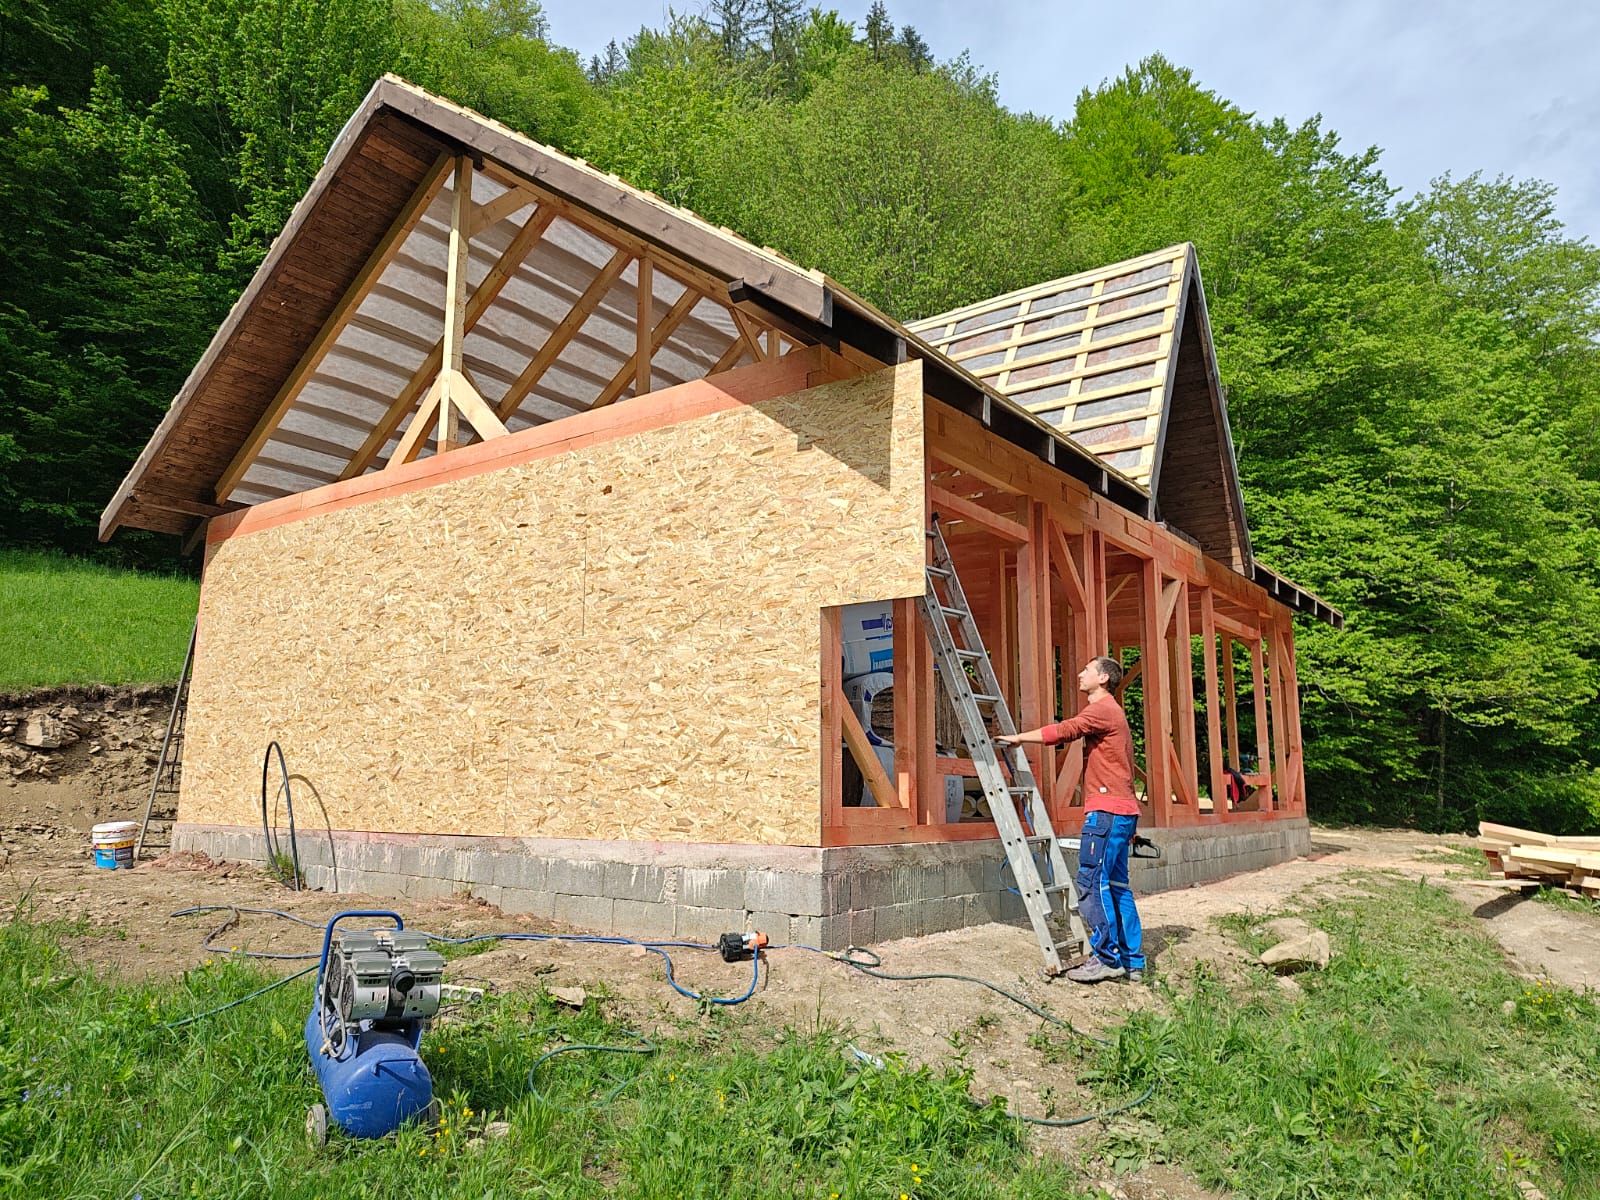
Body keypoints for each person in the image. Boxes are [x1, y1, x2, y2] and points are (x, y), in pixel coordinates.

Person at [997, 655, 1145, 984]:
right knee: (1117, 886)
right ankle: (1131, 961)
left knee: (1092, 884)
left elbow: (1066, 730)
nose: (1080, 674)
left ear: (1103, 678)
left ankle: (1106, 959)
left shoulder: (1103, 709)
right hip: (1121, 812)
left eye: (1087, 670)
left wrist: (1019, 738)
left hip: (1107, 813)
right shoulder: (1114, 713)